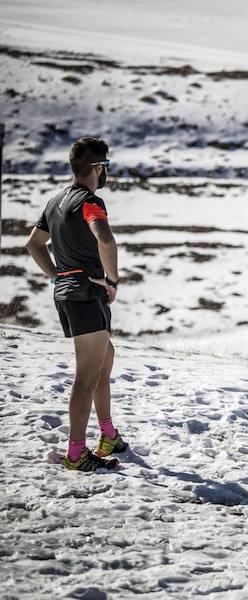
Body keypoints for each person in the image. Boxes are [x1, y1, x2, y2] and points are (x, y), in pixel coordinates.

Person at [25, 137, 127, 471]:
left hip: (69, 292)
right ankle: (76, 453)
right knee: (86, 377)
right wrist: (112, 280)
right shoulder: (89, 201)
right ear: (98, 168)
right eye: (105, 166)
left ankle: (109, 434)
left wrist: (57, 276)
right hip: (86, 294)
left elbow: (34, 244)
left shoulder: (55, 201)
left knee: (104, 361)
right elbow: (106, 239)